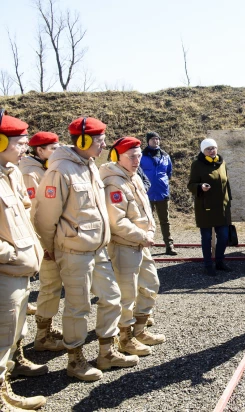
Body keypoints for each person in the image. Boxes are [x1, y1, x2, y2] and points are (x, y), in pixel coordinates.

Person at [33, 117, 138, 382]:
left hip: (97, 250)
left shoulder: (90, 166)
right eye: (100, 141)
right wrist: (50, 248)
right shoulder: (61, 171)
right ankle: (75, 359)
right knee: (78, 307)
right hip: (74, 251)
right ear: (83, 141)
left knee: (112, 298)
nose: (104, 146)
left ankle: (106, 352)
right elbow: (45, 217)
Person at [100, 137, 166, 357]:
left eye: (139, 155)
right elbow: (116, 221)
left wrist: (149, 232)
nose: (137, 160)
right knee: (127, 293)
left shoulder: (133, 177)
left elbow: (147, 211)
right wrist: (142, 235)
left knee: (150, 284)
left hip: (140, 243)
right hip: (124, 245)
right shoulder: (113, 183)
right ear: (117, 157)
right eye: (131, 156)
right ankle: (125, 338)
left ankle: (139, 330)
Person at [0, 110, 47, 410]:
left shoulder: (12, 172)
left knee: (16, 330)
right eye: (19, 143)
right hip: (6, 269)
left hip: (20, 270)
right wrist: (12, 255)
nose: (25, 148)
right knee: (1, 336)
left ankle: (14, 366)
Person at [18, 131, 65, 352]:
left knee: (53, 286)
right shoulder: (30, 173)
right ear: (40, 151)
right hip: (44, 240)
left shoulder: (43, 168)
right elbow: (33, 213)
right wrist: (43, 244)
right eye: (53, 149)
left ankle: (47, 329)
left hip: (52, 237)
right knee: (49, 286)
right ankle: (43, 336)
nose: (57, 152)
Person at [187, 138, 232, 276]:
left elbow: (226, 183)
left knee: (224, 236)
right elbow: (191, 184)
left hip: (222, 207)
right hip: (205, 207)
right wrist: (200, 187)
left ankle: (219, 261)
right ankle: (208, 264)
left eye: (214, 148)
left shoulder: (221, 162)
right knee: (206, 238)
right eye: (208, 149)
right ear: (203, 151)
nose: (212, 151)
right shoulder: (197, 164)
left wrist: (229, 200)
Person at [140, 131, 176, 255]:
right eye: (153, 139)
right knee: (146, 221)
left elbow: (169, 172)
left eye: (157, 139)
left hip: (162, 193)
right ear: (148, 141)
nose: (156, 141)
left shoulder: (165, 156)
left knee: (165, 221)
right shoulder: (141, 156)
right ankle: (145, 246)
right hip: (146, 194)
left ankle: (169, 245)